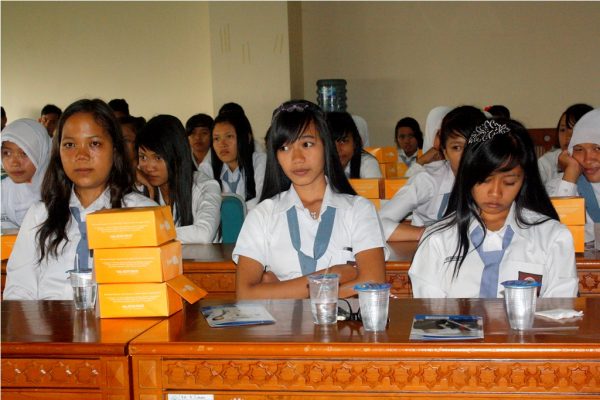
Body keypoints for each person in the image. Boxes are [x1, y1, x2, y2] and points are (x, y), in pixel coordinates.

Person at [4, 99, 157, 300]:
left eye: (94, 143)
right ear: (58, 152)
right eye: (69, 144)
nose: (81, 155)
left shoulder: (142, 214)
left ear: (115, 149)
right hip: (47, 328)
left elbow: (150, 294)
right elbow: (18, 292)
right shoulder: (40, 214)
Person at [233, 100, 387, 299]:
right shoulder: (263, 215)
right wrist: (332, 276)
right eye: (285, 148)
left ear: (326, 145)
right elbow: (245, 295)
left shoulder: (358, 209)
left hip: (345, 328)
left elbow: (373, 281)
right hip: (283, 330)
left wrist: (280, 290)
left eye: (307, 144)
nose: (297, 158)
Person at [409, 118, 578, 298]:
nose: (495, 193)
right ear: (468, 175)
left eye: (509, 182)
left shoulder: (552, 237)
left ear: (524, 180)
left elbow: (560, 313)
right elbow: (431, 318)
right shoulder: (437, 239)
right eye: (484, 180)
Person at [380, 106, 486, 241]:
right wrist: (429, 233)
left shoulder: (498, 181)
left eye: (473, 146)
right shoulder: (428, 179)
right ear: (445, 151)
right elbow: (378, 223)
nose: (466, 155)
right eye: (457, 147)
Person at [136, 115, 221, 244]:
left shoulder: (206, 186)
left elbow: (204, 233)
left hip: (201, 263)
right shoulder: (141, 187)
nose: (149, 167)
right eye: (143, 157)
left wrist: (151, 233)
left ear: (177, 156)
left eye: (158, 157)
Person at [545, 109, 600, 245]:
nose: (588, 159)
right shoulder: (560, 185)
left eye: (598, 148)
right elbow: (556, 234)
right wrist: (570, 174)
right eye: (579, 149)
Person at [203, 111, 266, 210]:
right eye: (216, 139)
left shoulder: (260, 161)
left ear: (247, 138)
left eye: (229, 136)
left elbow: (263, 200)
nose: (222, 144)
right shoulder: (208, 168)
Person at [1, 119, 51, 229]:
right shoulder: (3, 190)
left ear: (42, 153)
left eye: (24, 153)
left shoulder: (63, 190)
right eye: (7, 153)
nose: (14, 163)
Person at [538, 103, 593, 184]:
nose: (568, 136)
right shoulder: (547, 163)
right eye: (563, 130)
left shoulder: (596, 160)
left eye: (575, 130)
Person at [326, 111, 381, 179]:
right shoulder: (316, 164)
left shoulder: (366, 163)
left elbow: (374, 188)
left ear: (355, 142)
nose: (337, 149)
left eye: (343, 141)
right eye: (330, 142)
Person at [404, 106, 451, 177]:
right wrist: (421, 161)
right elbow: (403, 183)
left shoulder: (456, 165)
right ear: (430, 134)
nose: (445, 140)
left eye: (450, 134)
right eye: (440, 134)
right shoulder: (421, 168)